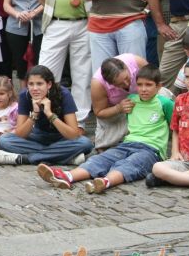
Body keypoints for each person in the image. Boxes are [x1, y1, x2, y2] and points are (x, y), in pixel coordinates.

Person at [38, 65, 171, 194]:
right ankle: (68, 176)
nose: (143, 89)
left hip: (151, 150)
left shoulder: (165, 103)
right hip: (127, 144)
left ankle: (105, 181)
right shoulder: (131, 100)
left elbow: (175, 126)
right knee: (101, 159)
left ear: (158, 86)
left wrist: (177, 151)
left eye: (148, 85)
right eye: (140, 85)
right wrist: (118, 107)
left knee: (130, 164)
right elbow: (105, 112)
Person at [36, 0, 91, 127]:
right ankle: (46, 118)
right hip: (56, 23)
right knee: (46, 72)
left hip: (84, 23)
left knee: (82, 75)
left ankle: (79, 122)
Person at [0, 65, 93, 165]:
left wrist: (50, 114)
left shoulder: (64, 94)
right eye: (31, 84)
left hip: (61, 138)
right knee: (3, 140)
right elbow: (20, 134)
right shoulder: (25, 95)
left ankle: (26, 159)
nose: (35, 88)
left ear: (49, 84)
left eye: (39, 84)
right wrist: (35, 114)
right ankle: (63, 157)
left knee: (86, 144)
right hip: (37, 137)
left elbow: (73, 134)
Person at [148, 57, 189, 188]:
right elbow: (175, 129)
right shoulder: (180, 100)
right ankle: (179, 178)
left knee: (154, 177)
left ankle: (170, 179)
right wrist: (175, 152)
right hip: (184, 161)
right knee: (157, 167)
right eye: (187, 77)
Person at [91, 54, 149, 151]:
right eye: (120, 84)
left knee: (164, 94)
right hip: (116, 113)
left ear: (126, 67)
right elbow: (99, 112)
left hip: (143, 103)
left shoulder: (137, 63)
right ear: (109, 83)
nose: (127, 84)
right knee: (103, 145)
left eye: (127, 78)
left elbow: (155, 82)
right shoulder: (98, 84)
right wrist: (118, 108)